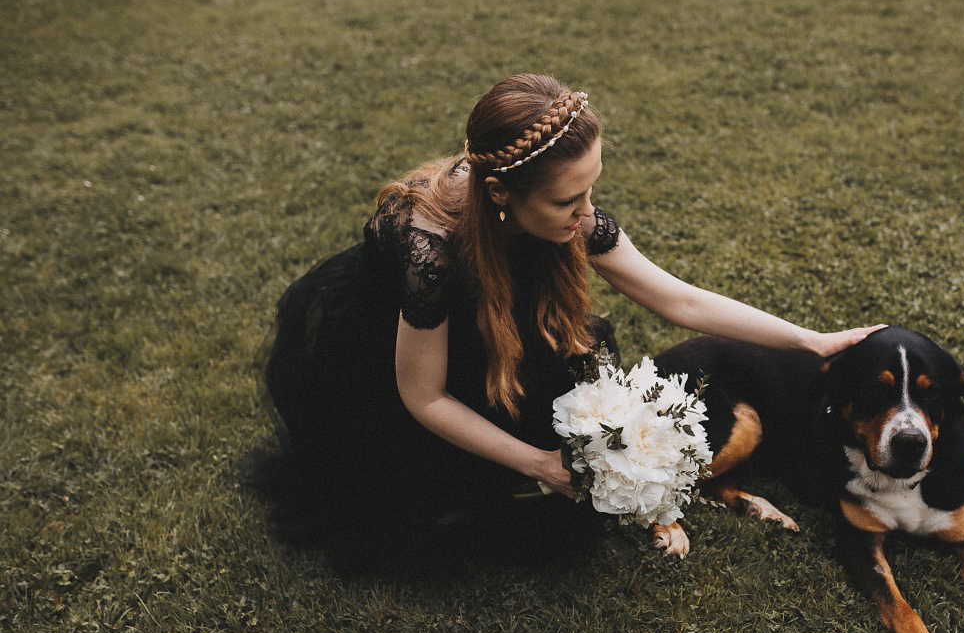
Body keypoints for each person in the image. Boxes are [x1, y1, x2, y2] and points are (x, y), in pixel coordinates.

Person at [254, 73, 881, 570]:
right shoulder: (431, 253)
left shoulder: (563, 216)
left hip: (497, 319)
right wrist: (536, 463)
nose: (585, 215)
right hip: (401, 355)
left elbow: (678, 301)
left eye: (591, 192)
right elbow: (424, 395)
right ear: (501, 194)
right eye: (565, 201)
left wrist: (811, 340)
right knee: (434, 510)